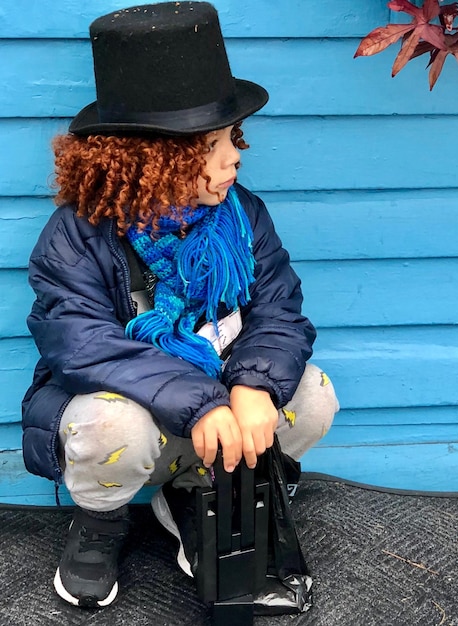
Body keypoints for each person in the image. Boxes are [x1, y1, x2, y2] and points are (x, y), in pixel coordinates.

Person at [21, 1, 339, 610]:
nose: (234, 159)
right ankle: (101, 519)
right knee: (110, 428)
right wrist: (202, 400)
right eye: (212, 146)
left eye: (232, 140)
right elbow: (80, 343)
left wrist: (252, 386)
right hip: (142, 412)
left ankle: (197, 496)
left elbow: (279, 310)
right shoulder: (76, 234)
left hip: (218, 412)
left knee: (313, 394)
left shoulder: (241, 215)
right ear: (151, 159)